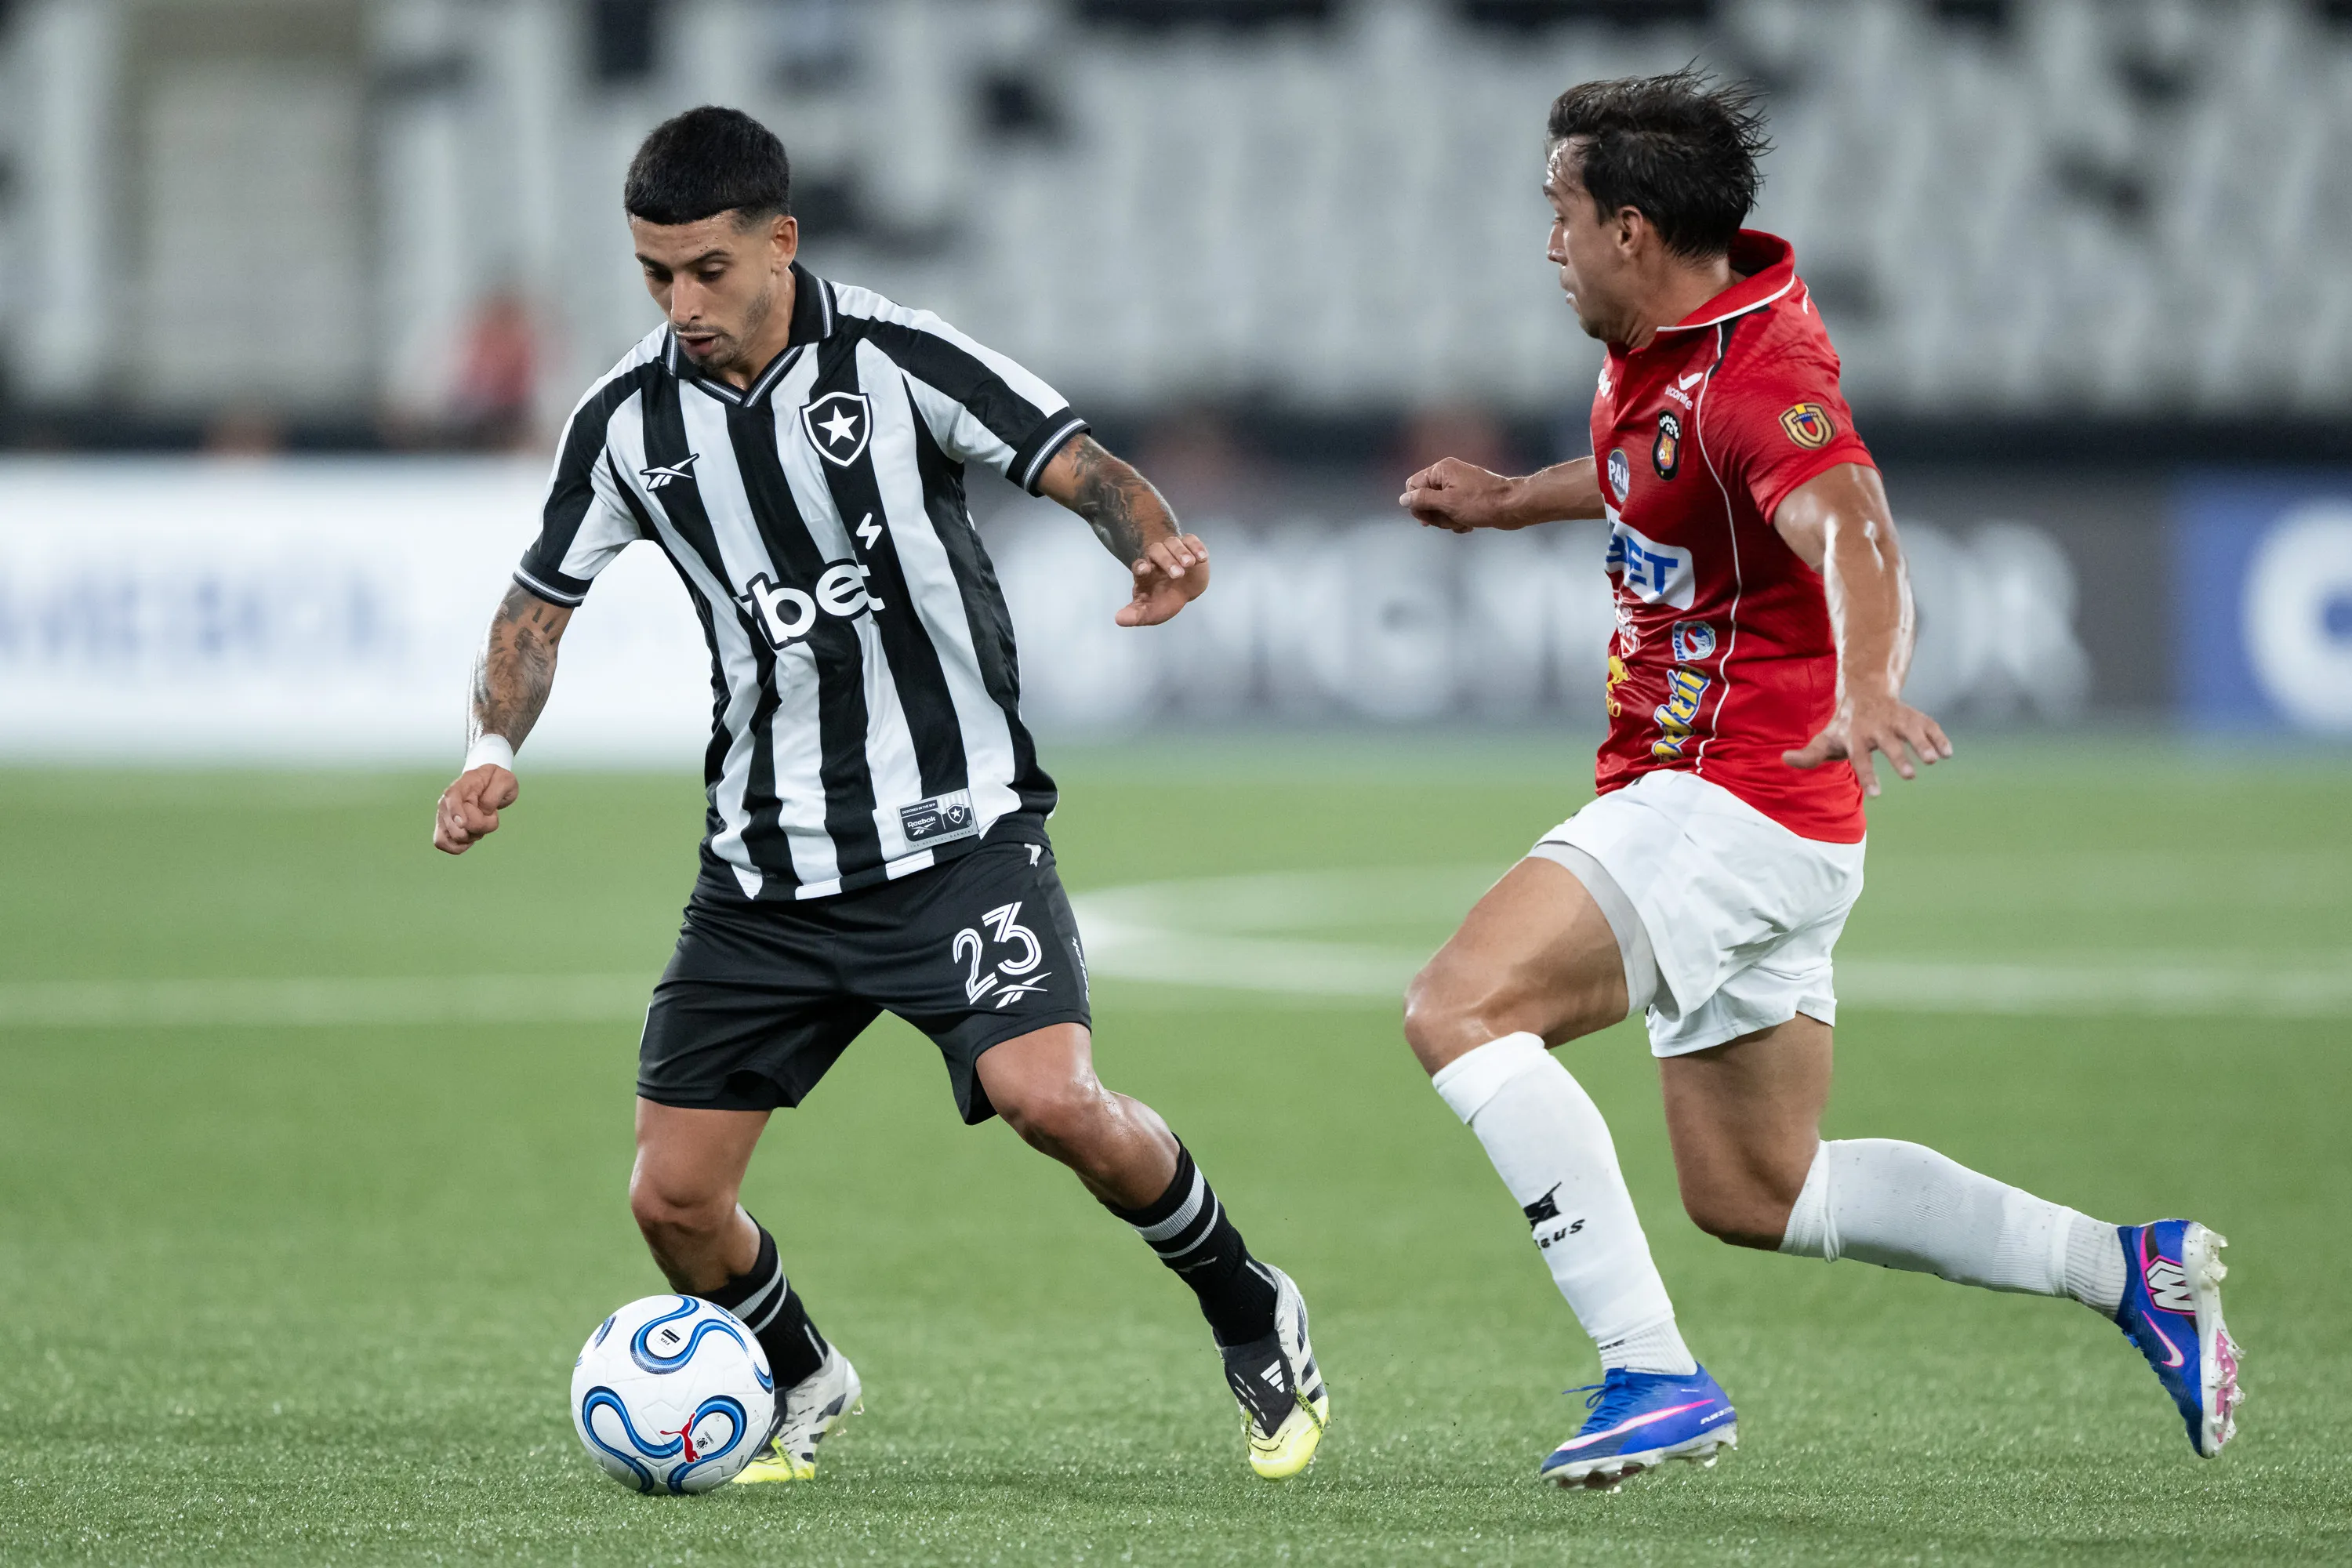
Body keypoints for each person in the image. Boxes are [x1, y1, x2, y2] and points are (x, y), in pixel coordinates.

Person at [433, 107, 1327, 1483]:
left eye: (709, 271)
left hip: (958, 834)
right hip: (768, 868)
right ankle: (802, 1374)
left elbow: (1083, 466)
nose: (682, 306)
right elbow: (535, 609)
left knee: (1052, 1101)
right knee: (673, 1201)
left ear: (781, 242)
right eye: (656, 276)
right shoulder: (623, 421)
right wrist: (492, 749)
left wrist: (1154, 545)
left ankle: (1248, 1303)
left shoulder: (900, 359)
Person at [1397, 71, 2238, 1490]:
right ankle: (2129, 1271)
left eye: (1562, 212)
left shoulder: (1757, 379)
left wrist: (1868, 680)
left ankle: (1651, 1372)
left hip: (1731, 795)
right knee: (1759, 1188)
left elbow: (1855, 528)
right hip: (1775, 822)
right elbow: (1655, 469)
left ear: (1632, 229)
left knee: (1460, 1008)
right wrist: (1509, 500)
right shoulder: (1668, 341)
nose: (1549, 243)